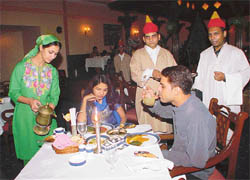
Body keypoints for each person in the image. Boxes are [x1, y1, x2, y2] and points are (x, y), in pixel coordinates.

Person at [143, 65, 216, 179]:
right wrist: (151, 102)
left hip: (194, 173)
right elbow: (167, 112)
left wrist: (162, 155)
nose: (158, 89)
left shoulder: (196, 116)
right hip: (181, 156)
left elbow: (197, 161)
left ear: (176, 90)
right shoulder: (184, 102)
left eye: (162, 86)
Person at [8, 34, 61, 165]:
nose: (53, 57)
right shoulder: (21, 67)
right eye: (51, 52)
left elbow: (55, 95)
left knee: (49, 155)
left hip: (46, 117)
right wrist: (29, 101)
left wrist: (48, 112)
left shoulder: (52, 71)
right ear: (41, 47)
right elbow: (13, 92)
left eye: (56, 54)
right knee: (29, 156)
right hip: (25, 116)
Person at [193, 11, 250, 113]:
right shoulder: (204, 55)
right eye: (210, 35)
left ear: (224, 34)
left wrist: (226, 77)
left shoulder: (236, 53)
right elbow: (199, 81)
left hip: (228, 101)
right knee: (210, 126)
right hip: (209, 100)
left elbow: (246, 74)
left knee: (228, 127)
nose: (212, 37)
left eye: (216, 34)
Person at [130, 15, 177, 132]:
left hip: (164, 95)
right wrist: (150, 72)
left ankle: (164, 148)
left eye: (154, 36)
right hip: (145, 95)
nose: (151, 39)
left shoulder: (167, 54)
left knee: (164, 127)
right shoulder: (138, 54)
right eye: (148, 37)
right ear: (144, 39)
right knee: (147, 130)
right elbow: (134, 74)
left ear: (159, 37)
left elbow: (175, 73)